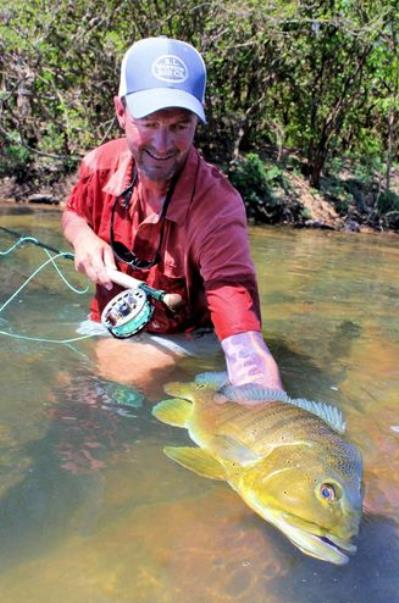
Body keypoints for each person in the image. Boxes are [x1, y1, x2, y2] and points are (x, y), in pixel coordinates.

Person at [62, 36, 282, 391]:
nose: (163, 146)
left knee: (114, 384)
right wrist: (82, 236)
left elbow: (245, 345)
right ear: (120, 111)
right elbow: (72, 213)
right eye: (149, 123)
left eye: (180, 126)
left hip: (186, 339)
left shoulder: (218, 209)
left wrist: (264, 405)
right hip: (109, 323)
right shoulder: (98, 165)